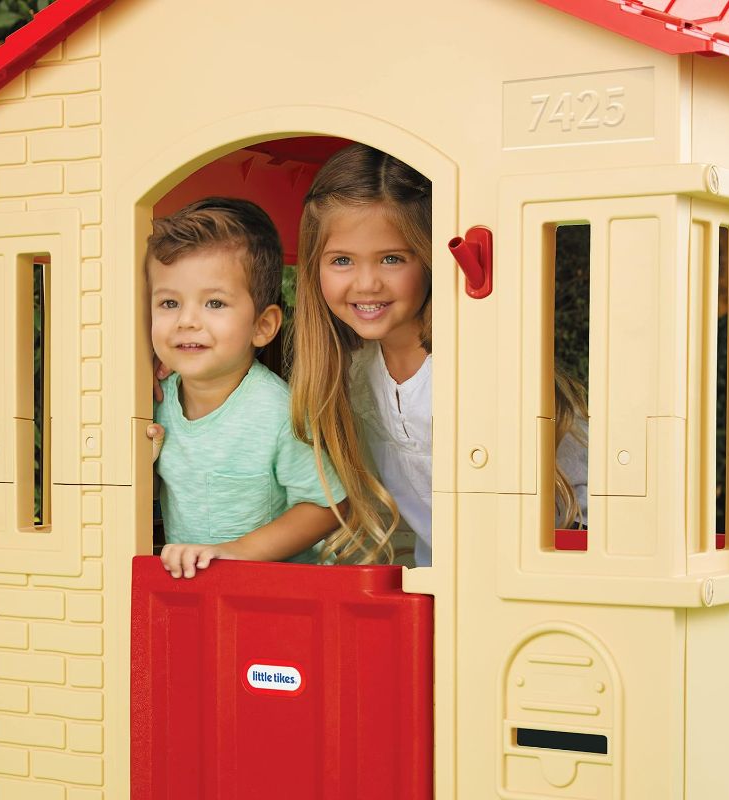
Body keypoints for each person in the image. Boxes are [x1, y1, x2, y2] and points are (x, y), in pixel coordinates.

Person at [290, 143, 588, 568]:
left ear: (428, 261)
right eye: (342, 261)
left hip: (549, 579)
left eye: (392, 259)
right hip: (446, 596)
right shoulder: (354, 376)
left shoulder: (473, 366)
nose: (367, 283)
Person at [145, 197, 347, 578]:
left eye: (215, 303)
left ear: (263, 326)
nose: (187, 321)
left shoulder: (278, 411)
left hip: (274, 597)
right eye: (169, 302)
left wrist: (234, 552)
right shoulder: (152, 399)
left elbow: (327, 507)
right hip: (192, 591)